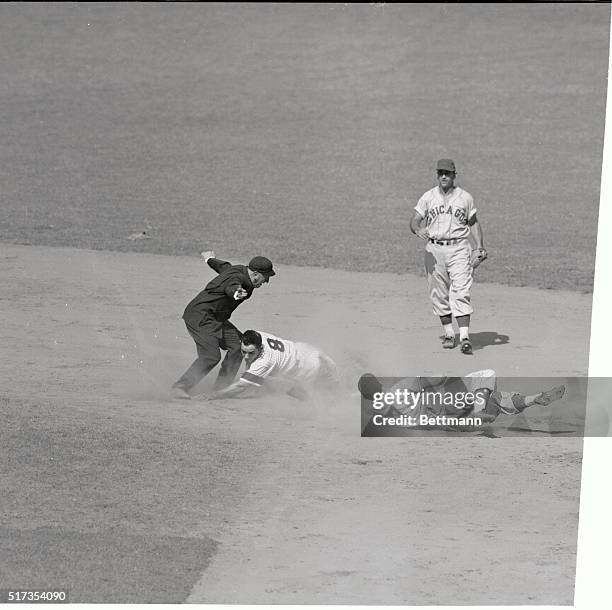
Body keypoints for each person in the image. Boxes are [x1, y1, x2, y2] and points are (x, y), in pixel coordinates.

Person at [171, 252, 275, 399]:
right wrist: (236, 292)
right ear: (256, 274)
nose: (267, 281)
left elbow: (223, 267)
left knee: (239, 346)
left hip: (216, 318)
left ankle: (221, 388)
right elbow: (231, 285)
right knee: (211, 356)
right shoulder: (238, 278)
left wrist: (209, 259)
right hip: (200, 316)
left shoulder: (238, 270)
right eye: (267, 277)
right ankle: (180, 387)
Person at [410, 159, 486, 355]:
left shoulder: (465, 198)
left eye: (448, 173)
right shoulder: (428, 197)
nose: (444, 176)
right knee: (438, 293)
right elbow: (415, 220)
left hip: (459, 249)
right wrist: (417, 229)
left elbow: (474, 223)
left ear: (454, 175)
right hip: (434, 251)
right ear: (437, 174)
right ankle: (449, 333)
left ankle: (465, 337)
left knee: (461, 291)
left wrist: (479, 247)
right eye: (441, 172)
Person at [359, 370, 566, 432]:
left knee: (494, 398)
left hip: (451, 424)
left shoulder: (383, 412)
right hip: (453, 410)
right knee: (486, 375)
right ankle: (480, 409)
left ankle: (533, 399)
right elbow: (433, 379)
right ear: (378, 382)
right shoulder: (401, 387)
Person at [200, 329, 338, 400]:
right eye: (244, 352)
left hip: (307, 367)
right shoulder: (256, 335)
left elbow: (241, 386)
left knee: (316, 395)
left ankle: (347, 399)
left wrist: (214, 396)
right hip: (306, 350)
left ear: (260, 348)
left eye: (251, 353)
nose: (246, 356)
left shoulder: (265, 361)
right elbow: (249, 368)